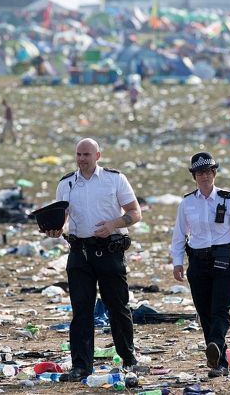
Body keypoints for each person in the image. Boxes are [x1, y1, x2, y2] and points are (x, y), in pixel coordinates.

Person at [42, 138, 143, 381]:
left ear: (98, 155)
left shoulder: (114, 179)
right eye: (78, 154)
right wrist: (54, 229)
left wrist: (113, 225)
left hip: (109, 251)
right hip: (79, 253)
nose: (81, 159)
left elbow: (134, 213)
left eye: (86, 154)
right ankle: (81, 366)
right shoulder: (66, 183)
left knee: (117, 308)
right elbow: (62, 217)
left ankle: (129, 360)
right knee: (81, 311)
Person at [169, 152, 230, 378]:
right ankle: (218, 362)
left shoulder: (228, 199)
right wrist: (177, 262)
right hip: (198, 263)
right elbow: (179, 236)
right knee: (205, 312)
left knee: (220, 309)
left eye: (208, 172)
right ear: (194, 177)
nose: (204, 176)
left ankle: (216, 350)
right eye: (199, 173)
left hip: (226, 260)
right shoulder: (187, 203)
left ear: (214, 173)